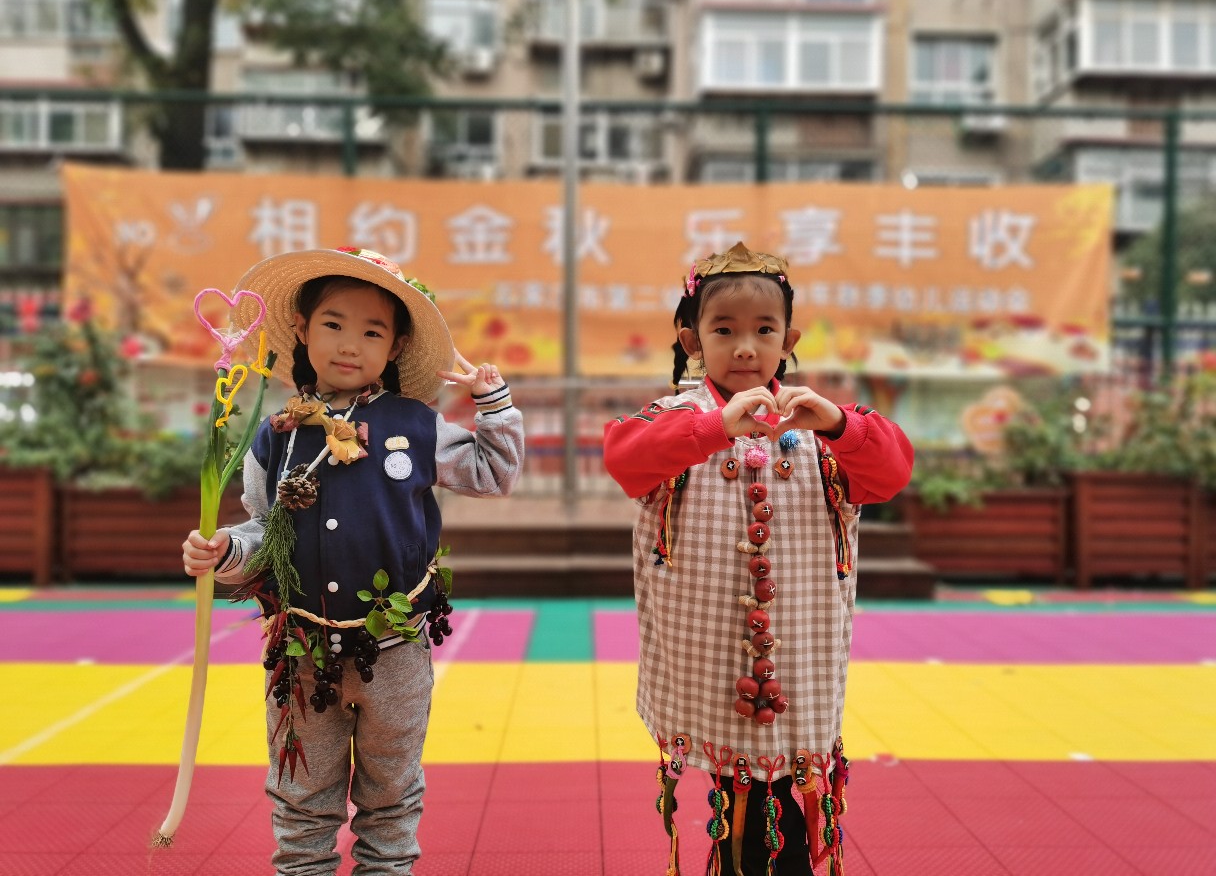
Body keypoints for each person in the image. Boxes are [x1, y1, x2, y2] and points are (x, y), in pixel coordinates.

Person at [182, 247, 524, 876]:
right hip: (301, 655)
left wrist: (493, 402)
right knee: (300, 795)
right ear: (301, 330)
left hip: (395, 651)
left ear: (395, 346)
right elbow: (263, 531)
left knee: (390, 793)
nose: (349, 344)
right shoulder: (274, 437)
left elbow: (494, 472)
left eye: (372, 331)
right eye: (333, 324)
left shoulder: (416, 425)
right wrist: (225, 550)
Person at [602, 241, 913, 876]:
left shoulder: (820, 426)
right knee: (743, 801)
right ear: (692, 341)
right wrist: (714, 429)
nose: (745, 347)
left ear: (788, 339)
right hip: (705, 658)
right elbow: (624, 458)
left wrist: (840, 426)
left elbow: (891, 471)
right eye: (724, 330)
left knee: (773, 808)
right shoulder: (676, 419)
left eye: (764, 330)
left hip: (797, 663)